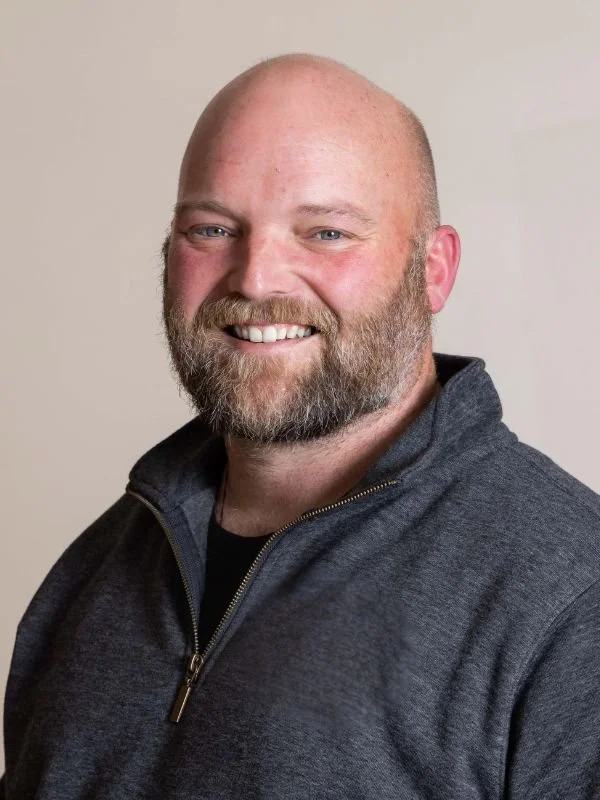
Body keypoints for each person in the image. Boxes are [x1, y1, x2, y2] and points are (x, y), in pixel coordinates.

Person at [2, 53, 600, 800]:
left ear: (434, 268)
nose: (255, 278)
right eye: (213, 228)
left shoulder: (573, 597)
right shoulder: (96, 569)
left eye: (325, 233)